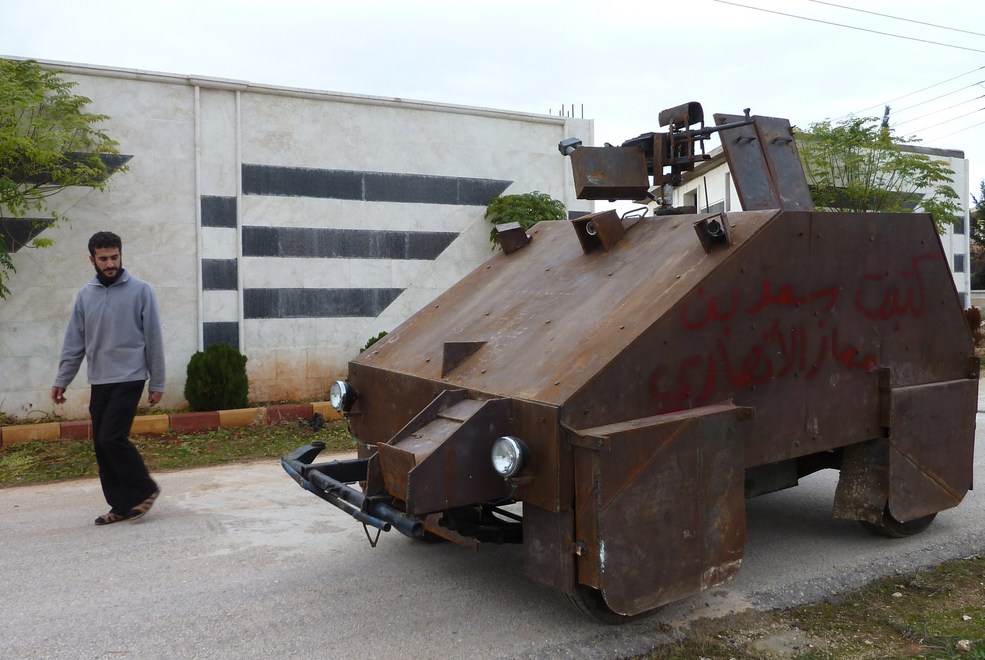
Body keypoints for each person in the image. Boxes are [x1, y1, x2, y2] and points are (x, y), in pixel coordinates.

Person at [52, 231, 164, 525]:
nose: (110, 263)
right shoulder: (86, 295)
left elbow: (154, 337)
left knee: (111, 437)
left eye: (114, 257)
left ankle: (145, 490)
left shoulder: (141, 290)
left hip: (130, 376)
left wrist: (158, 382)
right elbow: (74, 341)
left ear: (121, 255)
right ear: (92, 260)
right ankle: (121, 505)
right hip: (100, 379)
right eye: (103, 258)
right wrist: (62, 379)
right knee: (101, 445)